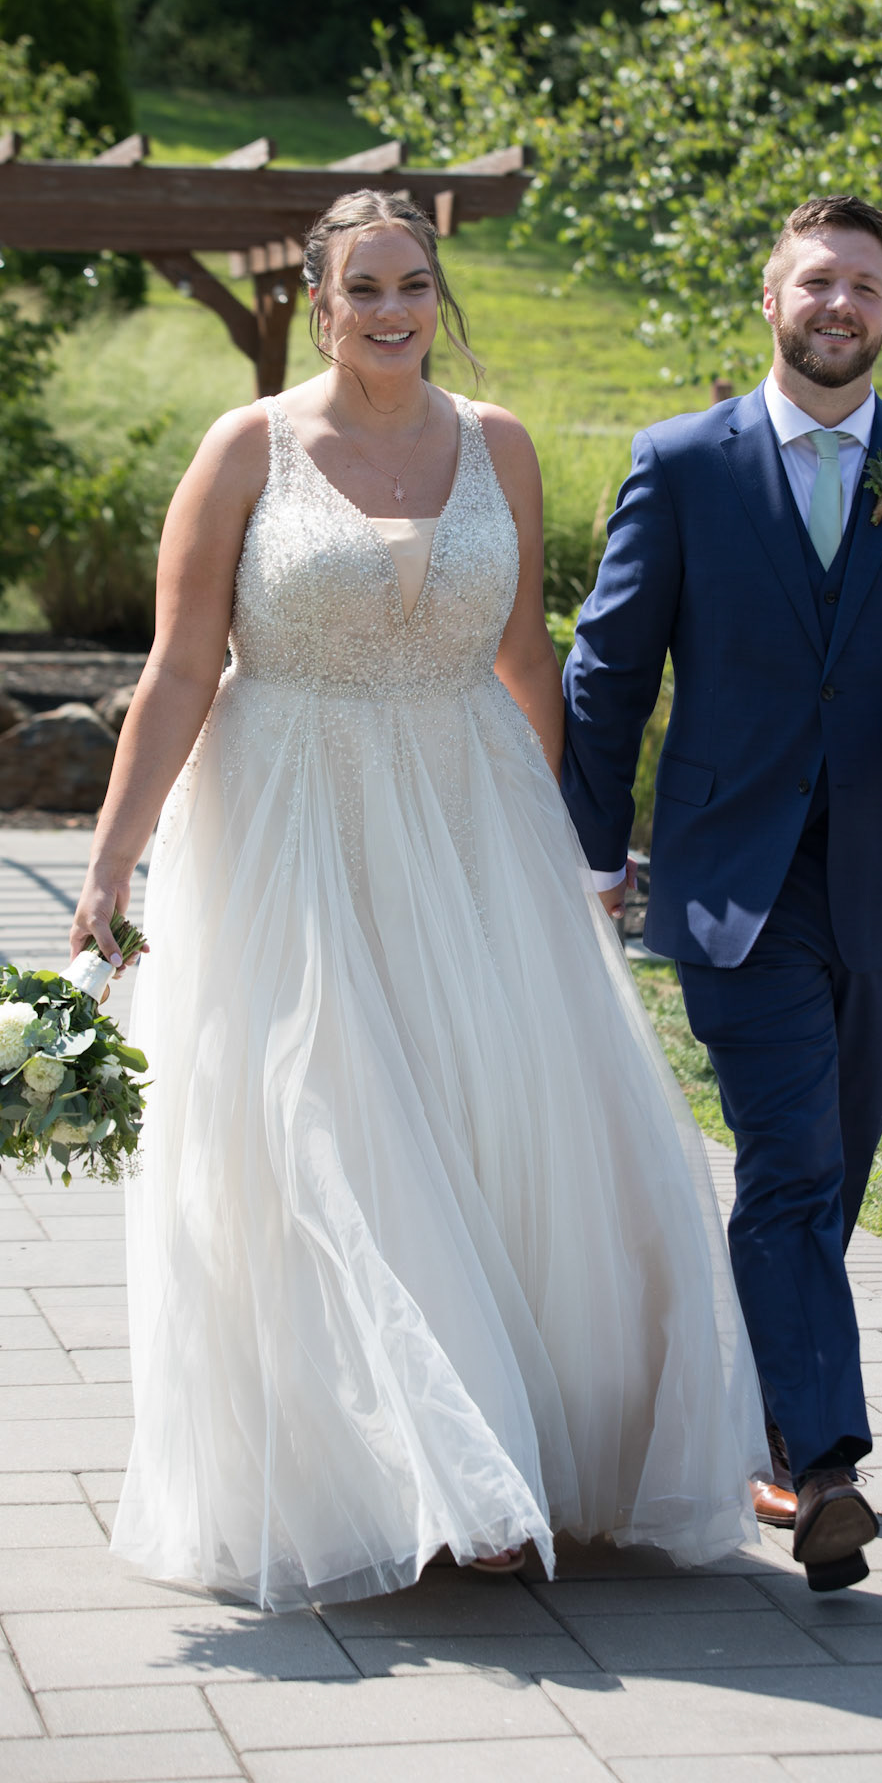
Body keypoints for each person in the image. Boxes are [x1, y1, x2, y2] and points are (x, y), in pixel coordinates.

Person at [70, 188, 767, 1612]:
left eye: (412, 284)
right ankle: (441, 1474)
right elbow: (182, 668)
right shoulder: (247, 448)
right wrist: (110, 857)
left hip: (469, 819)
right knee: (325, 1129)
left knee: (484, 1121)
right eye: (363, 287)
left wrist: (568, 846)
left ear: (438, 295)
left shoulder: (498, 444)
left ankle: (504, 1454)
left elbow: (527, 658)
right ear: (320, 303)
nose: (390, 310)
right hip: (288, 823)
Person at [561, 196, 882, 1591]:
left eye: (865, 286)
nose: (840, 305)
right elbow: (608, 670)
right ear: (772, 298)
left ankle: (765, 1423)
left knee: (828, 1174)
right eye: (818, 280)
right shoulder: (680, 463)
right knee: (792, 1161)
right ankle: (826, 1467)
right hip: (733, 882)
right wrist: (592, 856)